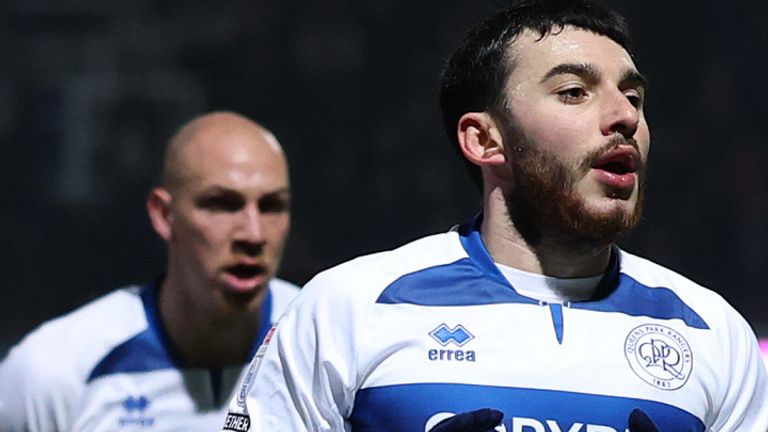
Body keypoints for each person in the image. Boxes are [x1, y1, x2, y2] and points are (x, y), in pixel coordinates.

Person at [223, 1, 768, 431]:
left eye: (633, 96)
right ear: (485, 139)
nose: (624, 116)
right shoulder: (350, 308)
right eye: (575, 92)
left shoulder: (712, 332)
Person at [0, 111, 300, 431]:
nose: (253, 234)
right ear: (164, 214)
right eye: (222, 204)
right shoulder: (55, 371)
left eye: (272, 206)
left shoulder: (326, 345)